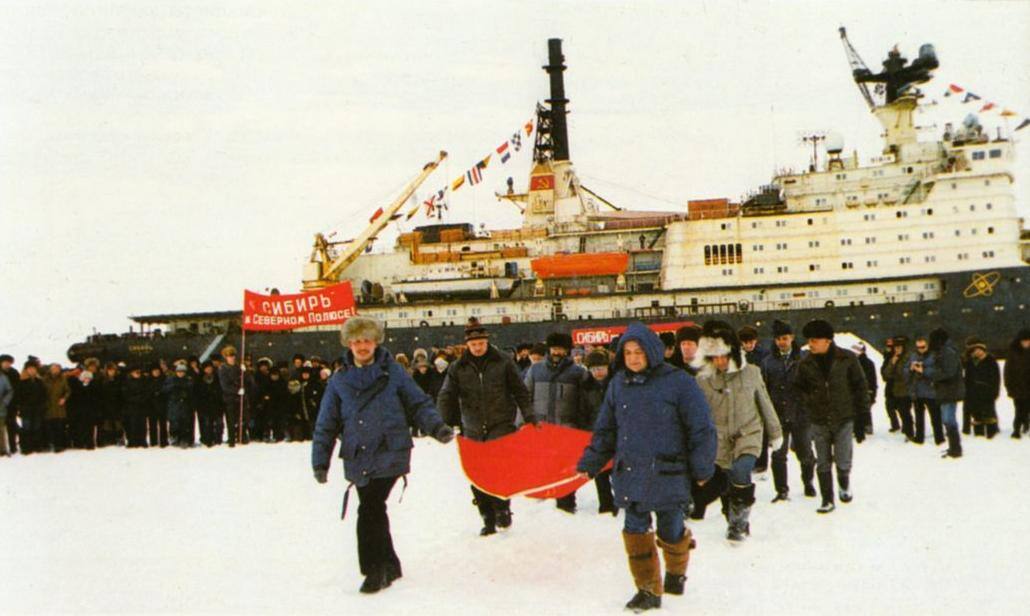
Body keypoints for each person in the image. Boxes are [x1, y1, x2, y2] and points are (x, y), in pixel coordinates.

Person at [577, 322, 718, 612]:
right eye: (627, 353)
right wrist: (591, 461)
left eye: (639, 352)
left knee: (671, 530)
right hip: (631, 472)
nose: (633, 358)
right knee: (635, 530)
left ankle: (676, 573)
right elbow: (606, 429)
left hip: (669, 472)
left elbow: (701, 428)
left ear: (652, 352)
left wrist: (703, 469)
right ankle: (648, 590)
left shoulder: (679, 382)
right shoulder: (618, 384)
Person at [312, 316, 453, 594]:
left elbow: (418, 402)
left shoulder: (395, 373)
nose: (362, 346)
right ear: (348, 344)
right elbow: (326, 422)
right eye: (356, 341)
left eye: (367, 340)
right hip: (359, 454)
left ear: (376, 342)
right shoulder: (339, 380)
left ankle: (374, 570)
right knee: (373, 507)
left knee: (369, 508)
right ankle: (390, 562)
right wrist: (320, 460)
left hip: (390, 450)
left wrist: (437, 427)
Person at [437, 319, 537, 536]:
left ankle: (502, 509)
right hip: (472, 427)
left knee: (499, 469)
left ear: (487, 341)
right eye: (473, 345)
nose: (478, 348)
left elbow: (520, 391)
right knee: (476, 474)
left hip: (500, 423)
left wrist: (528, 414)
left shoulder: (503, 361)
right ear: (467, 345)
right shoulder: (458, 367)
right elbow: (446, 395)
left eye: (481, 343)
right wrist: (443, 421)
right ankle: (487, 517)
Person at [694, 321, 782, 541]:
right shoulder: (703, 380)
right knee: (725, 479)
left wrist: (775, 433)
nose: (720, 361)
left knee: (741, 471)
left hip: (748, 433)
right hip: (720, 439)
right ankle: (731, 517)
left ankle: (739, 522)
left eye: (724, 355)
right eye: (715, 357)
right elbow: (696, 414)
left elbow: (765, 403)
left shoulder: (752, 372)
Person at [795, 320, 869, 514]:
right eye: (808, 340)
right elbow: (798, 389)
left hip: (843, 418)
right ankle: (827, 499)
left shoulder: (847, 358)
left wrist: (862, 419)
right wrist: (809, 402)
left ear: (827, 341)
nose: (810, 344)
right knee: (823, 461)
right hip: (818, 420)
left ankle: (844, 485)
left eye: (814, 340)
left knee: (843, 460)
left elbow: (860, 387)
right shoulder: (805, 363)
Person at [524, 331, 591, 513]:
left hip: (566, 428)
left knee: (566, 468)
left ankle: (566, 503)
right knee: (543, 465)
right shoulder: (535, 370)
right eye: (554, 348)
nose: (557, 352)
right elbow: (525, 398)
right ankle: (543, 501)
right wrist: (523, 424)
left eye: (561, 349)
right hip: (541, 427)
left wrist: (583, 428)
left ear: (567, 351)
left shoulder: (578, 373)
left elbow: (585, 403)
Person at [760, 320, 815, 502]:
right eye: (778, 339)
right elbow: (764, 389)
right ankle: (781, 490)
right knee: (778, 455)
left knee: (805, 453)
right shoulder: (768, 362)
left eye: (784, 338)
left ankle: (808, 482)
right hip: (778, 415)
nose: (781, 342)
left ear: (791, 338)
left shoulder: (805, 358)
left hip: (801, 414)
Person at [919, 328, 965, 458]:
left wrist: (927, 372)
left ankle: (956, 449)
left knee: (948, 419)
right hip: (947, 391)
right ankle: (954, 447)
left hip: (949, 391)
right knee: (947, 419)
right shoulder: (944, 351)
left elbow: (947, 373)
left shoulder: (947, 352)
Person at [582, 349, 616, 515]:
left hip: (617, 433)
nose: (598, 372)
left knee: (619, 470)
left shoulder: (616, 384)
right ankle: (606, 504)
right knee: (601, 472)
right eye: (594, 369)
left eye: (601, 368)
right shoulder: (586, 388)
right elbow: (583, 412)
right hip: (597, 434)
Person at [909, 337, 943, 446]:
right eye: (918, 347)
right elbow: (905, 372)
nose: (920, 349)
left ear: (927, 346)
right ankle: (919, 438)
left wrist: (923, 370)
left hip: (931, 391)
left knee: (935, 417)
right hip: (917, 391)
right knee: (919, 417)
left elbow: (938, 372)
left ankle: (939, 438)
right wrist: (910, 369)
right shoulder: (913, 356)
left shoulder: (934, 356)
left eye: (923, 347)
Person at [962, 338, 1000, 438]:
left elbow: (996, 378)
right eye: (973, 351)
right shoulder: (970, 362)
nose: (976, 352)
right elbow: (967, 378)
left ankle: (992, 436)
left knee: (989, 416)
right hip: (973, 393)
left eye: (978, 350)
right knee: (976, 416)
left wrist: (994, 392)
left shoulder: (991, 361)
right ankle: (978, 436)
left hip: (987, 393)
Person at [880, 335, 913, 438]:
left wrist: (895, 372)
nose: (897, 349)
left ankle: (909, 432)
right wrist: (892, 363)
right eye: (895, 347)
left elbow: (905, 373)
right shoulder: (892, 358)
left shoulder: (908, 357)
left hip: (906, 388)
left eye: (899, 347)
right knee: (894, 408)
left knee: (905, 411)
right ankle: (901, 427)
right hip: (895, 388)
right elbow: (886, 373)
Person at [218, 346, 247, 446]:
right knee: (231, 420)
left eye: (233, 355)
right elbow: (224, 385)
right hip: (229, 398)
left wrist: (245, 371)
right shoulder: (223, 369)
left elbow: (245, 380)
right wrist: (237, 390)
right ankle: (231, 439)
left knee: (241, 418)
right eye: (230, 356)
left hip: (240, 398)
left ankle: (241, 436)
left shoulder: (238, 367)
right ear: (226, 357)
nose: (232, 357)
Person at [1004, 329, 1030, 438]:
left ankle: (1025, 423)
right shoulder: (1013, 352)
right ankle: (1017, 430)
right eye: (1023, 341)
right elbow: (1008, 371)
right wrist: (1009, 386)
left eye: (1028, 340)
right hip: (1017, 387)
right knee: (1019, 409)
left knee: (1026, 408)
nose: (1026, 343)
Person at [16, 361, 46, 454]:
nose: (32, 371)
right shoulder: (22, 382)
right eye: (30, 369)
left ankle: (36, 446)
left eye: (34, 369)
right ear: (26, 370)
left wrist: (42, 406)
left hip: (37, 409)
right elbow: (18, 396)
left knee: (37, 427)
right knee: (26, 428)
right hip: (26, 409)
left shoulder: (39, 382)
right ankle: (26, 447)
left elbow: (43, 395)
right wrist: (20, 408)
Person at [163, 361, 195, 448]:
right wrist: (174, 387)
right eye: (179, 371)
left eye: (182, 372)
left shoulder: (189, 380)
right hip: (174, 405)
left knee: (185, 423)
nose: (180, 373)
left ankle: (184, 439)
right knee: (174, 423)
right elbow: (165, 390)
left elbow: (191, 391)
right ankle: (174, 437)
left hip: (185, 404)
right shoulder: (171, 380)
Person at [68, 370, 100, 449]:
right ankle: (81, 442)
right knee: (81, 427)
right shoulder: (77, 387)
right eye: (85, 378)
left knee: (90, 428)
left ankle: (90, 443)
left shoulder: (93, 387)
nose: (87, 379)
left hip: (90, 410)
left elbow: (95, 399)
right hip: (80, 410)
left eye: (88, 378)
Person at [851, 343, 877, 441]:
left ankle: (864, 428)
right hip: (855, 390)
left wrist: (872, 392)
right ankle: (860, 428)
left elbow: (872, 379)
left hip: (864, 390)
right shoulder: (852, 362)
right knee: (857, 410)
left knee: (862, 410)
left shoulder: (868, 363)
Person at [194, 361, 223, 446]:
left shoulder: (217, 377)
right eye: (207, 368)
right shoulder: (199, 378)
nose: (209, 369)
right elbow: (196, 392)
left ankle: (218, 439)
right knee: (206, 424)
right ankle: (207, 439)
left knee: (218, 423)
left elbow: (220, 390)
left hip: (216, 404)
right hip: (204, 405)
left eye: (210, 367)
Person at [42, 363, 71, 452]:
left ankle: (59, 445)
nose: (55, 371)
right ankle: (51, 444)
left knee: (60, 427)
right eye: (53, 369)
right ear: (50, 370)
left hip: (59, 407)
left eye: (57, 369)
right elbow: (41, 391)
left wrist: (64, 398)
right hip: (48, 406)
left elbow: (68, 390)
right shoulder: (45, 379)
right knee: (49, 427)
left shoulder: (63, 379)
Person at [122, 366, 152, 448]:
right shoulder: (127, 381)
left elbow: (147, 392)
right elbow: (125, 393)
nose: (137, 374)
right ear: (131, 373)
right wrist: (134, 399)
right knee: (132, 424)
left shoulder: (144, 381)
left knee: (142, 424)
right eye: (135, 372)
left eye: (138, 372)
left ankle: (142, 441)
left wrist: (141, 399)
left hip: (142, 405)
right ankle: (132, 441)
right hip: (131, 406)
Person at [147, 363, 169, 447]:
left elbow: (166, 391)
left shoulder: (164, 379)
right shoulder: (148, 380)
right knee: (152, 425)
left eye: (157, 371)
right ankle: (153, 441)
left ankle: (164, 441)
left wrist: (160, 393)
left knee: (163, 424)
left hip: (162, 404)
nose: (156, 372)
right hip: (151, 405)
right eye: (154, 371)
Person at [1, 354, 18, 454]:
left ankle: (13, 446)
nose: (7, 364)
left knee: (12, 426)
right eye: (5, 362)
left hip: (12, 404)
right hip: (1, 405)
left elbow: (17, 388)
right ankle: (2, 447)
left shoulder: (14, 373)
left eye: (9, 363)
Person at [0, 367, 12, 456]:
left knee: (1, 430)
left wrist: (5, 402)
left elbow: (10, 391)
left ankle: (2, 449)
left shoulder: (3, 377)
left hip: (1, 408)